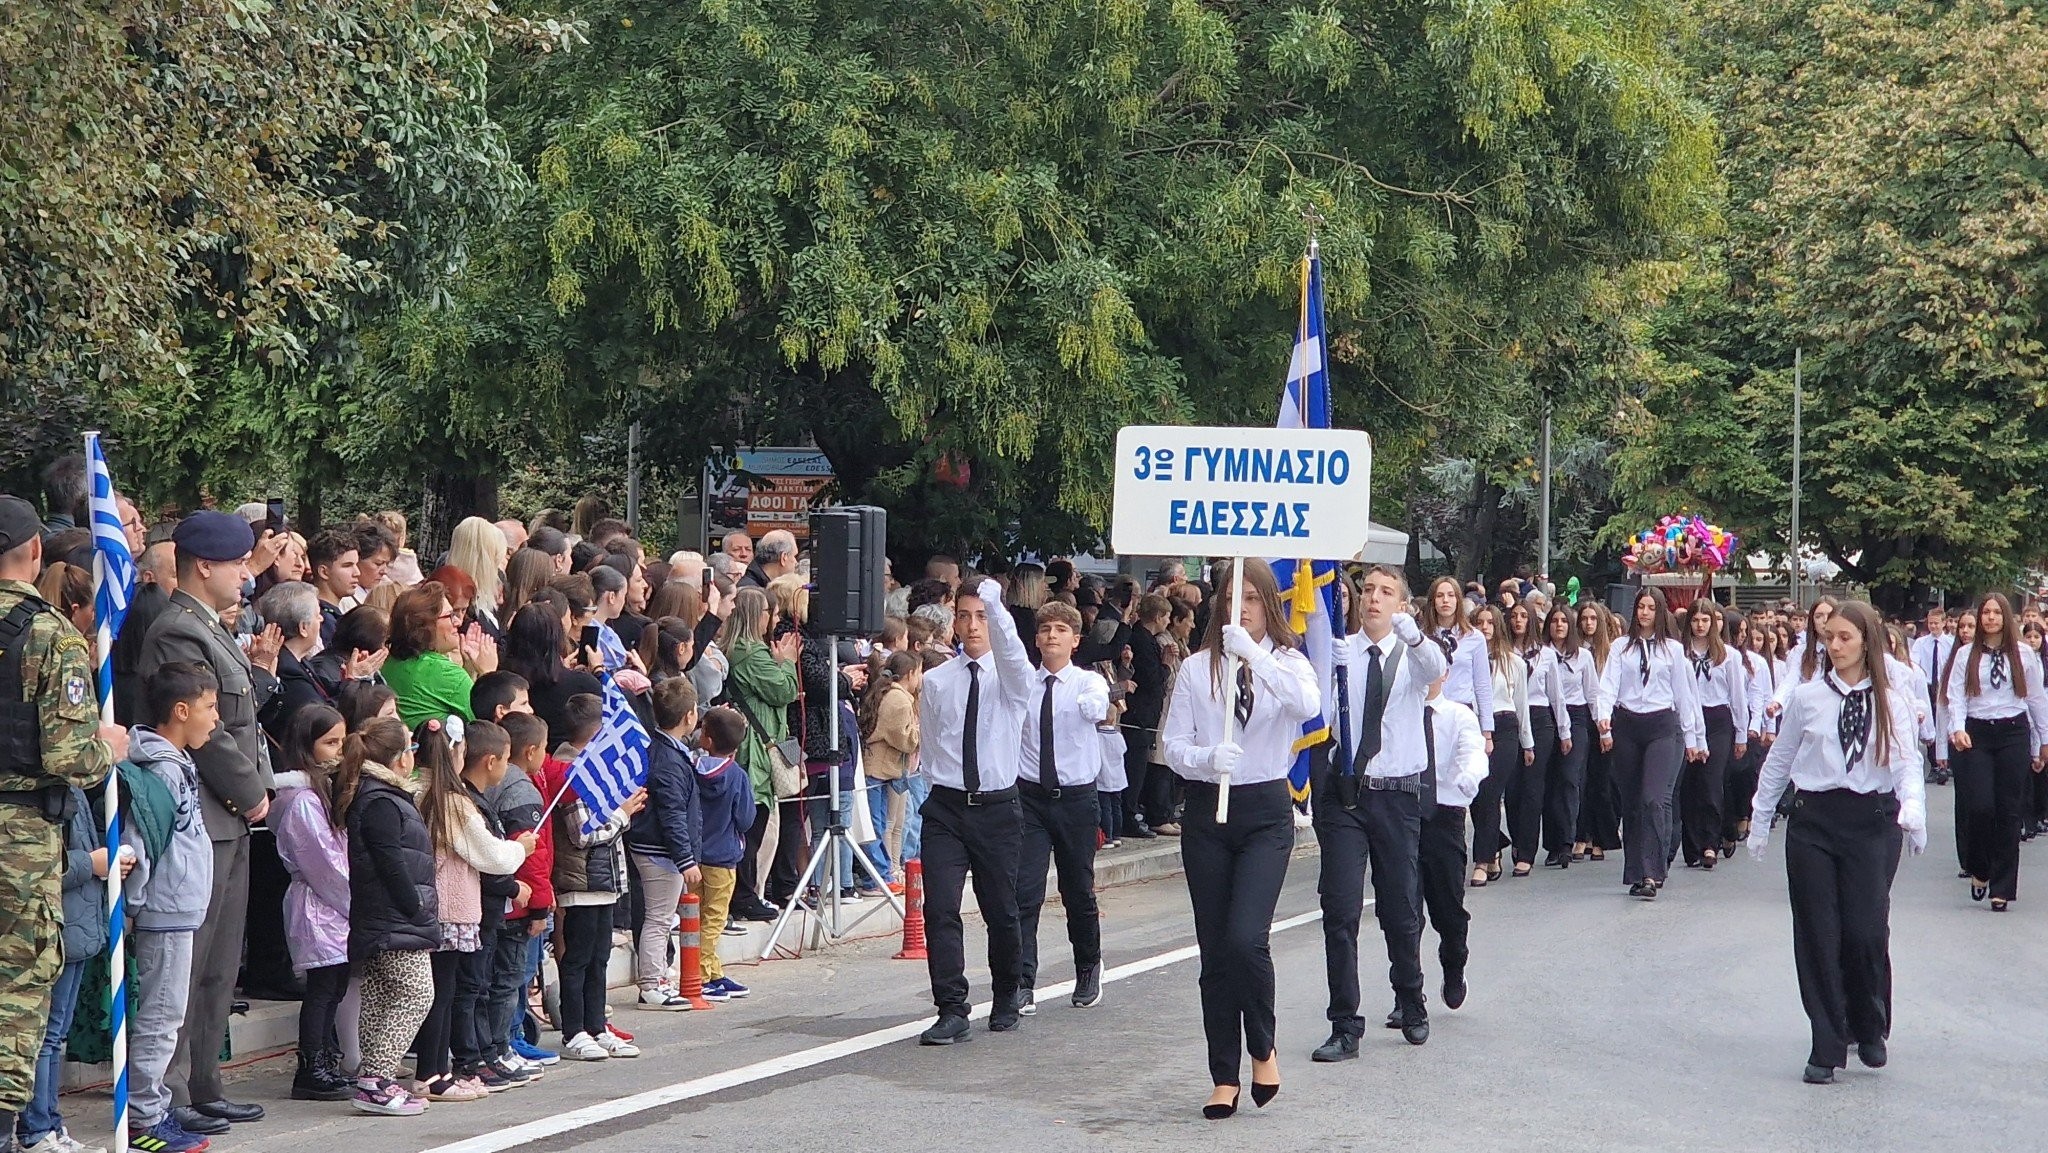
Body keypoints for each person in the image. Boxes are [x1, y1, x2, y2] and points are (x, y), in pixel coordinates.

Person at [136, 511, 277, 1132]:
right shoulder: (177, 630)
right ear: (205, 566)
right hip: (212, 807)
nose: (247, 574)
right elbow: (207, 730)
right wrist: (249, 790)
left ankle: (203, 1083)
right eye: (239, 564)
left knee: (219, 959)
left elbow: (239, 720)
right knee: (187, 964)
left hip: (231, 814)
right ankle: (169, 1095)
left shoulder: (209, 627)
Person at [1161, 559, 1317, 1117]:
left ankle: (1263, 1046)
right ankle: (1223, 1072)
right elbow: (1173, 745)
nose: (1242, 607)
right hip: (1209, 810)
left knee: (1246, 937)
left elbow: (1306, 707)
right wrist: (1205, 758)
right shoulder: (1197, 669)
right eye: (1233, 596)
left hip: (1265, 809)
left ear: (1268, 604)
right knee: (1215, 949)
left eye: (1252, 598)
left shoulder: (1289, 662)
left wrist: (1254, 656)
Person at [1747, 601, 1925, 1084]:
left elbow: (1907, 761)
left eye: (1845, 637)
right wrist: (1761, 818)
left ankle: (1868, 1023)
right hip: (1815, 821)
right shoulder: (1807, 697)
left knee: (1866, 929)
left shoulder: (1892, 697)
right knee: (1818, 934)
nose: (1835, 645)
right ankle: (1826, 1041)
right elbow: (1781, 760)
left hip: (1871, 821)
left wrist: (1914, 812)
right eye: (1829, 638)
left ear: (1867, 639)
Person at [1311, 564, 1442, 1062]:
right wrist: (1327, 669)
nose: (1374, 599)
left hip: (1396, 794)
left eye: (1387, 592)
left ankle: (1410, 996)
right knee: (1340, 909)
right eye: (1368, 589)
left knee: (1399, 908)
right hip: (1346, 795)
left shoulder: (1411, 655)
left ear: (1401, 604)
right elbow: (1315, 715)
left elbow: (1434, 670)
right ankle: (1345, 1023)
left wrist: (1414, 635)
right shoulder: (1341, 652)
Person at [914, 578, 1035, 1046]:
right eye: (964, 615)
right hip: (947, 807)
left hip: (997, 808)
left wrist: (996, 605)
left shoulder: (1012, 679)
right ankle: (951, 1006)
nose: (972, 625)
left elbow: (1011, 652)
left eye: (980, 617)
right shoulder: (939, 679)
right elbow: (931, 741)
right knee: (940, 907)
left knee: (1000, 909)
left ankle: (1007, 993)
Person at [121, 662, 218, 1153]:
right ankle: (144, 1117)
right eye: (209, 707)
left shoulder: (176, 762)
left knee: (167, 1015)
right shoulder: (161, 768)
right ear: (181, 711)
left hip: (179, 908)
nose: (216, 719)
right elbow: (143, 842)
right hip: (165, 910)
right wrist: (135, 903)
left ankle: (153, 1105)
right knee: (160, 1018)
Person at [1013, 601, 1111, 1015]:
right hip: (1031, 797)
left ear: (1075, 640)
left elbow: (1096, 708)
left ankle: (1088, 965)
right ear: (1036, 639)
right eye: (1045, 629)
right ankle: (1021, 981)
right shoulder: (1024, 685)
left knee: (1077, 889)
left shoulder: (1087, 682)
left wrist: (1093, 705)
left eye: (1061, 630)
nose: (1052, 636)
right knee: (1025, 892)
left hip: (1074, 798)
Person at [334, 717, 436, 1117]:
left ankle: (373, 1079)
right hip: (392, 917)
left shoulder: (381, 796)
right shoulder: (380, 801)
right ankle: (377, 1078)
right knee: (415, 992)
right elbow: (390, 862)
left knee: (380, 994)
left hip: (384, 917)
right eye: (409, 748)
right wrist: (413, 906)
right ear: (399, 759)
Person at [541, 694, 645, 1061]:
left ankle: (596, 1026)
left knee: (599, 958)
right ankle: (574, 1032)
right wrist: (623, 813)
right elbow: (582, 832)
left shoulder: (592, 767)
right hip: (580, 881)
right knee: (578, 959)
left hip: (603, 881)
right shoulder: (574, 770)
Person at [20, 773, 118, 1153]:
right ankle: (37, 1129)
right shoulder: (43, 792)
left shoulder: (73, 788)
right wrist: (91, 863)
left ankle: (52, 1124)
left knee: (55, 1035)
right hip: (57, 929)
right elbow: (41, 867)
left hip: (77, 929)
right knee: (45, 1036)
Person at [438, 720, 535, 1093]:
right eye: (506, 760)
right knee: (470, 989)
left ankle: (486, 1053)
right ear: (491, 761)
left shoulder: (476, 801)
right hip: (472, 908)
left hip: (484, 911)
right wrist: (514, 876)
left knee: (477, 984)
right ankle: (470, 1058)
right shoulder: (465, 804)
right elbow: (486, 859)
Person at [269, 704, 355, 1103]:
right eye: (329, 742)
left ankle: (328, 1059)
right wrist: (358, 902)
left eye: (341, 740)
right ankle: (312, 1066)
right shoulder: (301, 800)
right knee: (323, 987)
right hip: (319, 904)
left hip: (331, 904)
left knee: (333, 985)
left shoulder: (318, 791)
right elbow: (324, 864)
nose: (338, 750)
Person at [1598, 588, 1706, 899]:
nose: (1644, 613)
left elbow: (1684, 695)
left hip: (1662, 725)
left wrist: (1693, 737)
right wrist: (1604, 720)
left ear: (1660, 613)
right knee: (1631, 801)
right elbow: (1608, 686)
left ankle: (1653, 870)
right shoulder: (1621, 648)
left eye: (1650, 608)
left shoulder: (1672, 650)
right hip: (1628, 723)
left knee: (1653, 798)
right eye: (1640, 607)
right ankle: (1637, 871)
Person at [1943, 592, 2048, 911]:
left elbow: (2035, 700)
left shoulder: (2023, 654)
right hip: (1976, 733)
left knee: (2008, 811)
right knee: (1979, 807)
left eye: (1996, 613)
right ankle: (1980, 867)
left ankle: (2002, 887)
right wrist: (1957, 728)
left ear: (2006, 617)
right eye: (1985, 612)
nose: (1990, 618)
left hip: (2012, 731)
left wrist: (2043, 740)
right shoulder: (1966, 655)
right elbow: (1956, 696)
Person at [717, 587, 801, 921]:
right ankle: (745, 894)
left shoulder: (733, 650)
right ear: (757, 616)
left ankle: (746, 892)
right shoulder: (753, 654)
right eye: (770, 613)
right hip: (757, 748)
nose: (775, 619)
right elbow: (784, 691)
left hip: (749, 742)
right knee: (755, 821)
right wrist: (787, 664)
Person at [487, 712, 557, 1071]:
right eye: (545, 749)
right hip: (517, 903)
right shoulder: (520, 790)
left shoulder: (494, 782)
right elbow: (532, 855)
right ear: (531, 751)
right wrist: (541, 908)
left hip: (498, 899)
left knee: (498, 978)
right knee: (512, 977)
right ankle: (505, 1044)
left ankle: (500, 1043)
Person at [628, 679, 701, 1011]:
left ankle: (657, 977)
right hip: (660, 850)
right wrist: (686, 859)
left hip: (657, 846)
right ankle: (651, 984)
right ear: (689, 716)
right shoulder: (668, 760)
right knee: (658, 918)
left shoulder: (665, 750)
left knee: (661, 916)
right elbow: (672, 812)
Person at [1679, 604, 1748, 870]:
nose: (1700, 625)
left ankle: (1711, 842)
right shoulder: (1681, 653)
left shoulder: (1727, 655)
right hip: (1688, 718)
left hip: (1717, 719)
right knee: (1689, 783)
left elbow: (1737, 696)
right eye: (1695, 620)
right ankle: (1692, 845)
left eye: (1705, 619)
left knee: (1711, 781)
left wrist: (1741, 732)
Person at [692, 707, 755, 999]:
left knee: (697, 916)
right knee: (714, 918)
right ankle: (702, 973)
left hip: (694, 856)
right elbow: (745, 818)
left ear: (706, 739)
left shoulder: (691, 768)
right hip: (723, 856)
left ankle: (712, 969)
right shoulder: (736, 776)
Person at [1468, 605, 1533, 883]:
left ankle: (1482, 860)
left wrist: (1527, 743)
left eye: (1490, 623)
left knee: (1490, 791)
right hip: (1472, 726)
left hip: (1504, 727)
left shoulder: (1514, 663)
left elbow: (1522, 705)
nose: (1485, 628)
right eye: (1479, 622)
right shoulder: (1464, 660)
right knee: (1475, 793)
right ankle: (1494, 845)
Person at [383, 582, 495, 728]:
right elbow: (488, 730)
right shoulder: (446, 673)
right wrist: (489, 676)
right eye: (450, 615)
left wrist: (470, 669)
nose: (458, 622)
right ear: (427, 625)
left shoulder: (388, 663)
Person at [1542, 606, 1600, 868]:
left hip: (1576, 717)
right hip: (1547, 716)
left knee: (1569, 778)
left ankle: (1568, 839)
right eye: (1554, 621)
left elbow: (1593, 694)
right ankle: (1553, 843)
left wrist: (1603, 727)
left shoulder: (1583, 657)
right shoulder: (1542, 654)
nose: (1559, 625)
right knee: (1549, 781)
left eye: (1564, 621)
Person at [859, 652, 922, 882]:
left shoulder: (895, 695)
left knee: (883, 820)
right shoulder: (900, 700)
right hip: (877, 768)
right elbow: (905, 739)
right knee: (877, 824)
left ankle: (884, 872)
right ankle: (876, 876)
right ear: (911, 674)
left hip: (883, 770)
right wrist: (920, 731)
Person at [1422, 576, 1496, 752]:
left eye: (1450, 595)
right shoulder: (1421, 637)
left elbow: (1482, 685)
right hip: (1430, 711)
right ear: (1433, 601)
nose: (1445, 600)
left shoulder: (1474, 637)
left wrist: (1487, 733)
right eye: (1440, 596)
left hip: (1463, 710)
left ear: (1458, 600)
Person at [1574, 602, 1619, 860]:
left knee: (1601, 782)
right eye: (1584, 618)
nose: (1589, 623)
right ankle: (1582, 835)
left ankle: (1601, 837)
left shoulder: (1609, 652)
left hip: (1604, 721)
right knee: (1581, 779)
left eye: (1593, 618)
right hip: (1581, 718)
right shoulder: (1576, 652)